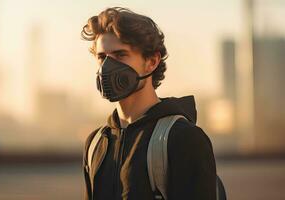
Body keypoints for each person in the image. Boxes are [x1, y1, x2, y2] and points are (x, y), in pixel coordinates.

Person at [81, 7, 216, 200]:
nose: (107, 68)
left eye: (121, 55)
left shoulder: (183, 139)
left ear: (152, 62)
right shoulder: (95, 144)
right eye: (102, 57)